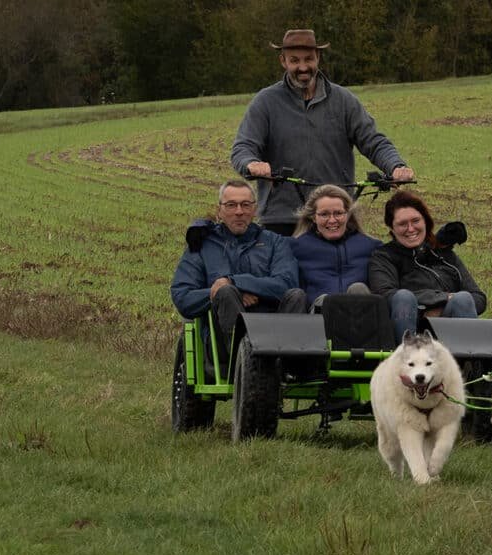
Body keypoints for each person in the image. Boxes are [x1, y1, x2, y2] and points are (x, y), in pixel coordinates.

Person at [230, 29, 416, 236]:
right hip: (282, 217)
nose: (303, 67)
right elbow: (242, 148)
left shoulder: (343, 100)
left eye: (309, 59)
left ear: (318, 58)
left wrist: (396, 166)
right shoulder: (265, 102)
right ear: (283, 61)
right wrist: (251, 164)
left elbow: (373, 141)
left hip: (336, 216)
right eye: (294, 60)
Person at [170, 179, 307, 375]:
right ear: (219, 210)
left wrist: (235, 282)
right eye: (231, 205)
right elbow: (183, 296)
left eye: (245, 205)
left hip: (274, 336)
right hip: (222, 349)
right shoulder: (202, 245)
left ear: (255, 209)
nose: (239, 211)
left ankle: (288, 366)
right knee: (226, 292)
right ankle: (246, 364)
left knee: (296, 294)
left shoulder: (275, 242)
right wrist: (225, 292)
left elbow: (287, 283)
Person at [368, 190, 486, 342]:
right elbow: (385, 295)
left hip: (449, 331)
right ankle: (407, 359)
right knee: (404, 297)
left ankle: (467, 362)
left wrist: (442, 306)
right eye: (402, 224)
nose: (411, 229)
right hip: (408, 327)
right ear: (392, 229)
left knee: (463, 299)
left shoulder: (444, 255)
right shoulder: (383, 257)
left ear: (426, 221)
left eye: (415, 221)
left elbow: (479, 298)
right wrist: (436, 302)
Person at [290, 184, 380, 311]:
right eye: (324, 214)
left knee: (358, 289)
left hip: (358, 319)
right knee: (325, 300)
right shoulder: (296, 247)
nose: (332, 220)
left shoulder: (371, 246)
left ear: (348, 215)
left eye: (338, 213)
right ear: (313, 217)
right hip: (317, 319)